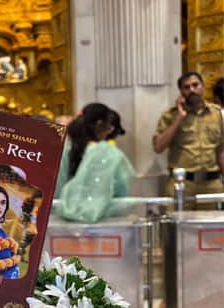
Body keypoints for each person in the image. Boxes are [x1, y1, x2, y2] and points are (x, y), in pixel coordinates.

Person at [55, 103, 136, 223]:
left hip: (61, 223)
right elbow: (122, 190)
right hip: (102, 226)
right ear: (99, 124)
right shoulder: (108, 153)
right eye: (109, 128)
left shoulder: (61, 150)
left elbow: (55, 190)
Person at [152, 72, 224, 204]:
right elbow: (158, 147)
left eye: (195, 85)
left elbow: (220, 150)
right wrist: (179, 117)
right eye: (186, 87)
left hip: (212, 184)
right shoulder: (170, 115)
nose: (192, 90)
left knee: (212, 224)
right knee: (179, 223)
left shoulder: (217, 113)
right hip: (182, 183)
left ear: (202, 87)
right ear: (181, 92)